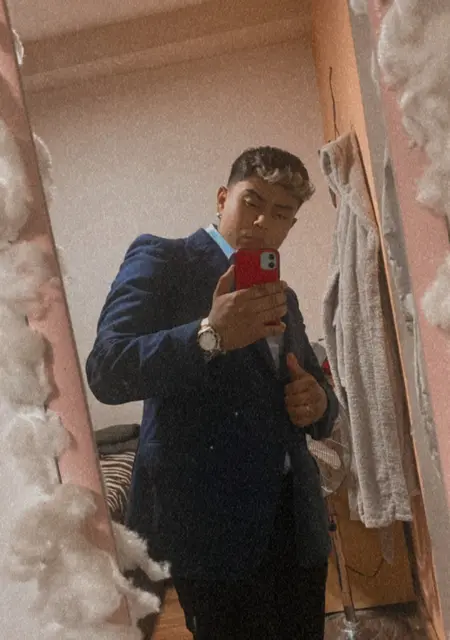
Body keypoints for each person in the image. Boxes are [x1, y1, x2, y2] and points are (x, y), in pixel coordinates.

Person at [86, 146, 339, 639]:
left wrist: (318, 401)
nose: (262, 221)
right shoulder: (164, 260)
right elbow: (107, 369)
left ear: (290, 227)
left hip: (295, 523)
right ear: (223, 198)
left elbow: (313, 388)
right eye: (252, 201)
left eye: (281, 213)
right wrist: (210, 335)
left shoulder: (282, 296)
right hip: (210, 527)